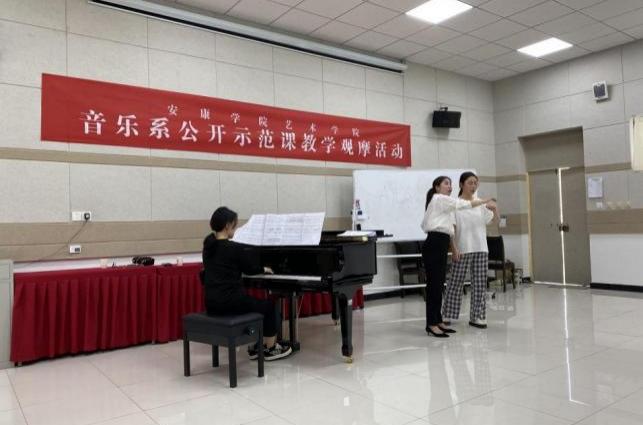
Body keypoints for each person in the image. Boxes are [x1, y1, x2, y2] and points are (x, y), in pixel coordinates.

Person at [202, 206, 292, 360]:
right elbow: (250, 269)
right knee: (270, 307)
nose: (235, 229)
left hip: (212, 303)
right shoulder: (233, 247)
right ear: (227, 226)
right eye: (234, 226)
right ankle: (270, 348)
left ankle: (260, 344)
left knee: (256, 304)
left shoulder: (208, 247)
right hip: (230, 302)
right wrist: (264, 268)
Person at [421, 176, 492, 337]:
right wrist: (484, 201)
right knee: (433, 286)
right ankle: (431, 324)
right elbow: (463, 204)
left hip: (441, 243)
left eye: (450, 184)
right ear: (437, 187)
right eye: (446, 184)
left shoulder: (444, 204)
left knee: (438, 285)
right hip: (434, 242)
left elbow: (451, 226)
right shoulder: (439, 198)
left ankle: (438, 320)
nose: (450, 187)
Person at [442, 172, 498, 329]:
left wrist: (495, 209)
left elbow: (495, 221)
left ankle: (477, 317)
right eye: (470, 183)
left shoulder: (480, 204)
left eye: (475, 183)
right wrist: (453, 248)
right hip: (462, 248)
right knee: (455, 282)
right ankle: (447, 314)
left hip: (481, 248)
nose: (473, 186)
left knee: (480, 284)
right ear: (461, 185)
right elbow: (451, 229)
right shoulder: (456, 204)